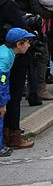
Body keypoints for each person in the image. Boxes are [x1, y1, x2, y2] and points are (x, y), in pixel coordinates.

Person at [0, 28, 34, 156]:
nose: (29, 45)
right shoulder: (5, 57)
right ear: (19, 44)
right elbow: (1, 82)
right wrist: (2, 103)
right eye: (27, 42)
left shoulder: (7, 52)